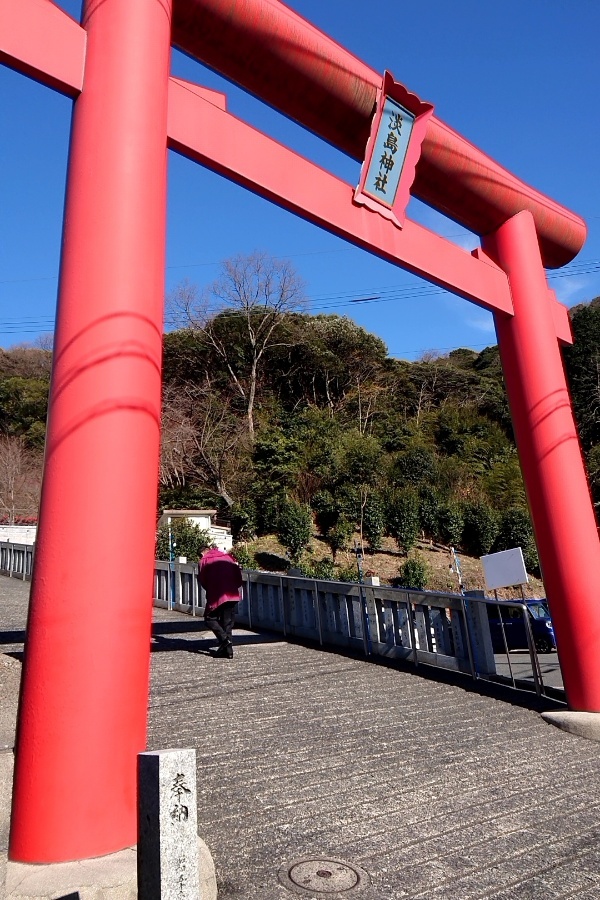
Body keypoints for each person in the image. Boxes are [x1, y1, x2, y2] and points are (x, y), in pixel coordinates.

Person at [199, 546, 243, 659]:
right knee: (227, 623)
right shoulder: (228, 557)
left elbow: (203, 580)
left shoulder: (204, 560)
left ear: (202, 553)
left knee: (209, 619)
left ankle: (225, 641)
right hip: (232, 594)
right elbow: (238, 576)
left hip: (216, 595)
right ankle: (228, 652)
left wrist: (211, 589)